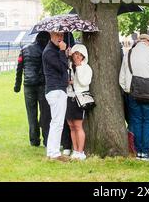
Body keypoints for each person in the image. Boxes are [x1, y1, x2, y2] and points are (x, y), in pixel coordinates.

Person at [119, 34, 149, 161]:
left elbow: (122, 78)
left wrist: (128, 90)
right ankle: (146, 151)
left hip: (133, 93)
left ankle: (139, 150)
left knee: (136, 121)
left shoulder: (128, 54)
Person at [14, 32, 51, 147]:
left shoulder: (24, 49)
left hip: (28, 85)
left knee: (31, 114)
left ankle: (34, 140)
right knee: (45, 113)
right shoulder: (46, 50)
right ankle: (46, 140)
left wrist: (17, 85)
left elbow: (19, 68)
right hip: (42, 85)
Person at [42, 32, 69, 161]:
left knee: (56, 123)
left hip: (57, 89)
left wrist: (63, 52)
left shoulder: (54, 50)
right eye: (57, 35)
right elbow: (62, 67)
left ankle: (53, 151)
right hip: (55, 90)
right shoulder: (49, 52)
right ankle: (54, 152)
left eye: (62, 35)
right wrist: (63, 52)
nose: (60, 38)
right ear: (50, 35)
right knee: (57, 123)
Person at [66, 44, 93, 160]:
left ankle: (80, 151)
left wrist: (78, 68)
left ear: (83, 56)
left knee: (78, 125)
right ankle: (75, 149)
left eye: (79, 55)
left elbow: (84, 81)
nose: (76, 57)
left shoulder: (85, 68)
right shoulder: (70, 67)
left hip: (79, 98)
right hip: (70, 97)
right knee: (71, 125)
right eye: (75, 54)